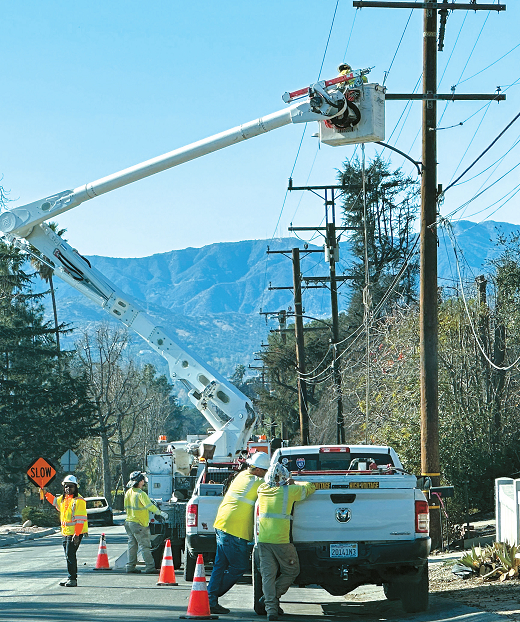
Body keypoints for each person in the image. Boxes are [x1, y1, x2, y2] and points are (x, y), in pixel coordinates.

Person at [207, 451, 271, 615]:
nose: (266, 474)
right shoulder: (258, 483)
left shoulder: (242, 475)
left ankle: (210, 598)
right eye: (265, 471)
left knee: (220, 565)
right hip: (235, 531)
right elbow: (275, 487)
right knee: (238, 566)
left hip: (222, 524)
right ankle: (208, 597)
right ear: (258, 470)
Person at [256, 463, 316, 621]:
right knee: (291, 571)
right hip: (281, 541)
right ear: (284, 477)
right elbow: (310, 487)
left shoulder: (261, 490)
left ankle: (270, 609)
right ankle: (271, 598)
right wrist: (294, 481)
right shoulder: (290, 491)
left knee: (268, 576)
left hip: (263, 540)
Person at [42, 474, 88, 587]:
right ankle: (70, 577)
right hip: (66, 532)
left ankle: (73, 579)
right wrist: (45, 493)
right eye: (66, 486)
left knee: (70, 554)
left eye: (71, 486)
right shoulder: (64, 499)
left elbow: (80, 520)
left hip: (75, 533)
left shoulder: (79, 501)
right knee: (68, 555)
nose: (68, 488)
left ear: (76, 487)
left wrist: (76, 534)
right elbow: (54, 501)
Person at [124, 470, 168, 574]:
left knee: (132, 545)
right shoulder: (141, 494)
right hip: (139, 524)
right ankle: (150, 567)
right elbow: (149, 506)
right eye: (142, 479)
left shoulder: (128, 492)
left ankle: (130, 566)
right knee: (145, 546)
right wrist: (161, 513)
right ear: (140, 481)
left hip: (129, 522)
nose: (144, 481)